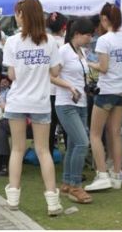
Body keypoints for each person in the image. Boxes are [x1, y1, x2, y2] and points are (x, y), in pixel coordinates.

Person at [2, 0, 63, 216]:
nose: (16, 17)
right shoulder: (50, 41)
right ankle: (53, 202)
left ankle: (13, 198)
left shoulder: (11, 41)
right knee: (43, 150)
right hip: (41, 102)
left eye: (18, 13)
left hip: (17, 100)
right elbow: (55, 72)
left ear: (22, 15)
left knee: (17, 149)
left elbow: (11, 74)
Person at [85, 3, 122, 191]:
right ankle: (117, 174)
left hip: (107, 92)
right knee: (115, 133)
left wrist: (89, 63)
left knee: (94, 134)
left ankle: (102, 174)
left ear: (105, 19)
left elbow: (103, 68)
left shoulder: (104, 41)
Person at [51, 18, 95, 204]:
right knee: (82, 143)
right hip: (66, 104)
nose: (90, 38)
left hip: (81, 103)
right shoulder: (63, 51)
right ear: (77, 34)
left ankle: (68, 182)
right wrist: (69, 87)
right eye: (88, 35)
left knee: (73, 145)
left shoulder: (81, 52)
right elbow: (52, 76)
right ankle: (76, 186)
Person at [45, 12, 68, 153]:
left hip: (47, 90)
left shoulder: (44, 42)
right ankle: (70, 158)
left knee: (49, 126)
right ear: (64, 27)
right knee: (66, 126)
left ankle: (47, 156)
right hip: (62, 89)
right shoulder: (65, 45)